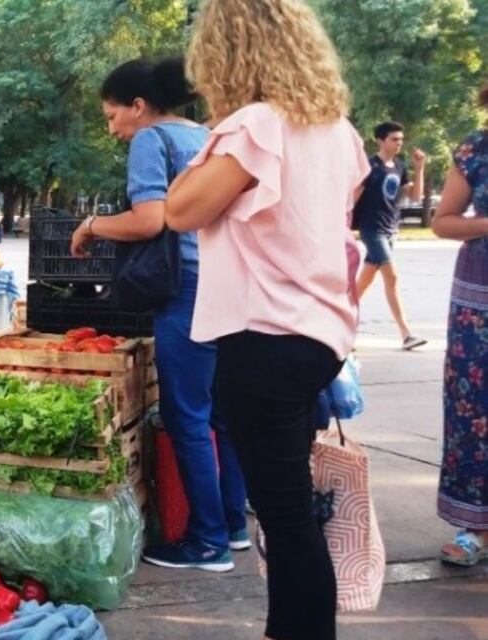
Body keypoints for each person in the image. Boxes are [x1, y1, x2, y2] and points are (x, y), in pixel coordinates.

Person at [165, 0, 370, 638]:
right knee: (290, 512)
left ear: (229, 50)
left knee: (285, 516)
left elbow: (181, 209)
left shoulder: (255, 125)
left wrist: (211, 142)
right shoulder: (336, 127)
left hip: (266, 336)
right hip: (319, 333)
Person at [70, 57, 248, 572]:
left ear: (139, 106)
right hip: (225, 283)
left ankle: (207, 542)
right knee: (221, 414)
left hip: (185, 288)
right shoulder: (210, 136)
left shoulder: (155, 140)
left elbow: (150, 221)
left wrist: (93, 227)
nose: (113, 129)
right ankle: (232, 525)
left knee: (186, 417)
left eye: (111, 116)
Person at [430, 84, 488, 567]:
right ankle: (478, 526)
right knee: (476, 411)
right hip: (479, 305)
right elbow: (443, 221)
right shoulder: (476, 148)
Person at [353, 121, 428, 350]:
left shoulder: (399, 167)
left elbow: (416, 196)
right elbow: (353, 196)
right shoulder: (369, 166)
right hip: (371, 229)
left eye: (401, 140)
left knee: (363, 283)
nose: (399, 143)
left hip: (390, 229)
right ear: (381, 140)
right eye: (394, 139)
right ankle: (406, 334)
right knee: (391, 277)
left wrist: (419, 168)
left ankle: (337, 324)